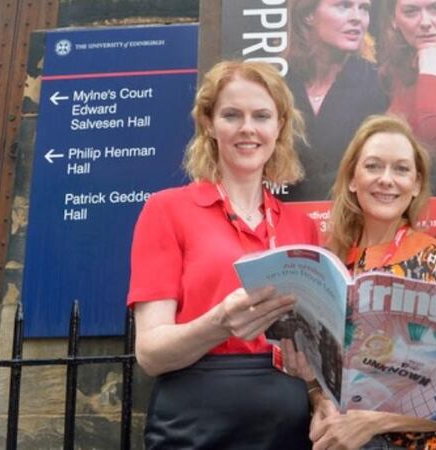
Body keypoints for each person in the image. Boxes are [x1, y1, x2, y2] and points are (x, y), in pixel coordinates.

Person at [127, 60, 320, 449]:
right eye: (232, 115)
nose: (248, 128)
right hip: (195, 424)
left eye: (261, 116)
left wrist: (314, 378)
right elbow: (150, 354)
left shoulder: (303, 228)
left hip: (288, 427)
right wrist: (219, 323)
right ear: (209, 124)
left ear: (279, 126)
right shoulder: (166, 210)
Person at [285, 115, 436, 450]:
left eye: (401, 169)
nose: (387, 180)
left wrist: (370, 423)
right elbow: (318, 375)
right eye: (373, 166)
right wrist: (319, 401)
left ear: (416, 185)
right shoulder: (329, 264)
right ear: (353, 179)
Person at [285, 0, 389, 201]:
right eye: (343, 6)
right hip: (287, 218)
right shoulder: (281, 83)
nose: (357, 18)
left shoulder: (380, 84)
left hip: (355, 215)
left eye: (364, 9)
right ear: (308, 15)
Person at [376, 0, 436, 194]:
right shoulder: (399, 64)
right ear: (394, 20)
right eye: (411, 11)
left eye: (435, 8)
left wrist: (430, 76)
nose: (425, 22)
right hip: (393, 186)